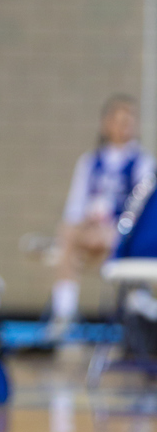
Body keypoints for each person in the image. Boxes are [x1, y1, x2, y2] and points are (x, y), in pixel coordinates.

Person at [49, 94, 156, 336]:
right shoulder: (89, 162)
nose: (124, 126)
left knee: (110, 234)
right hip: (90, 235)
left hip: (122, 237)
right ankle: (63, 314)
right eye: (118, 121)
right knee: (67, 232)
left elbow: (141, 214)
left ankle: (136, 305)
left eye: (129, 121)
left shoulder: (143, 164)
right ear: (106, 124)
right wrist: (88, 219)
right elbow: (74, 207)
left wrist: (114, 224)